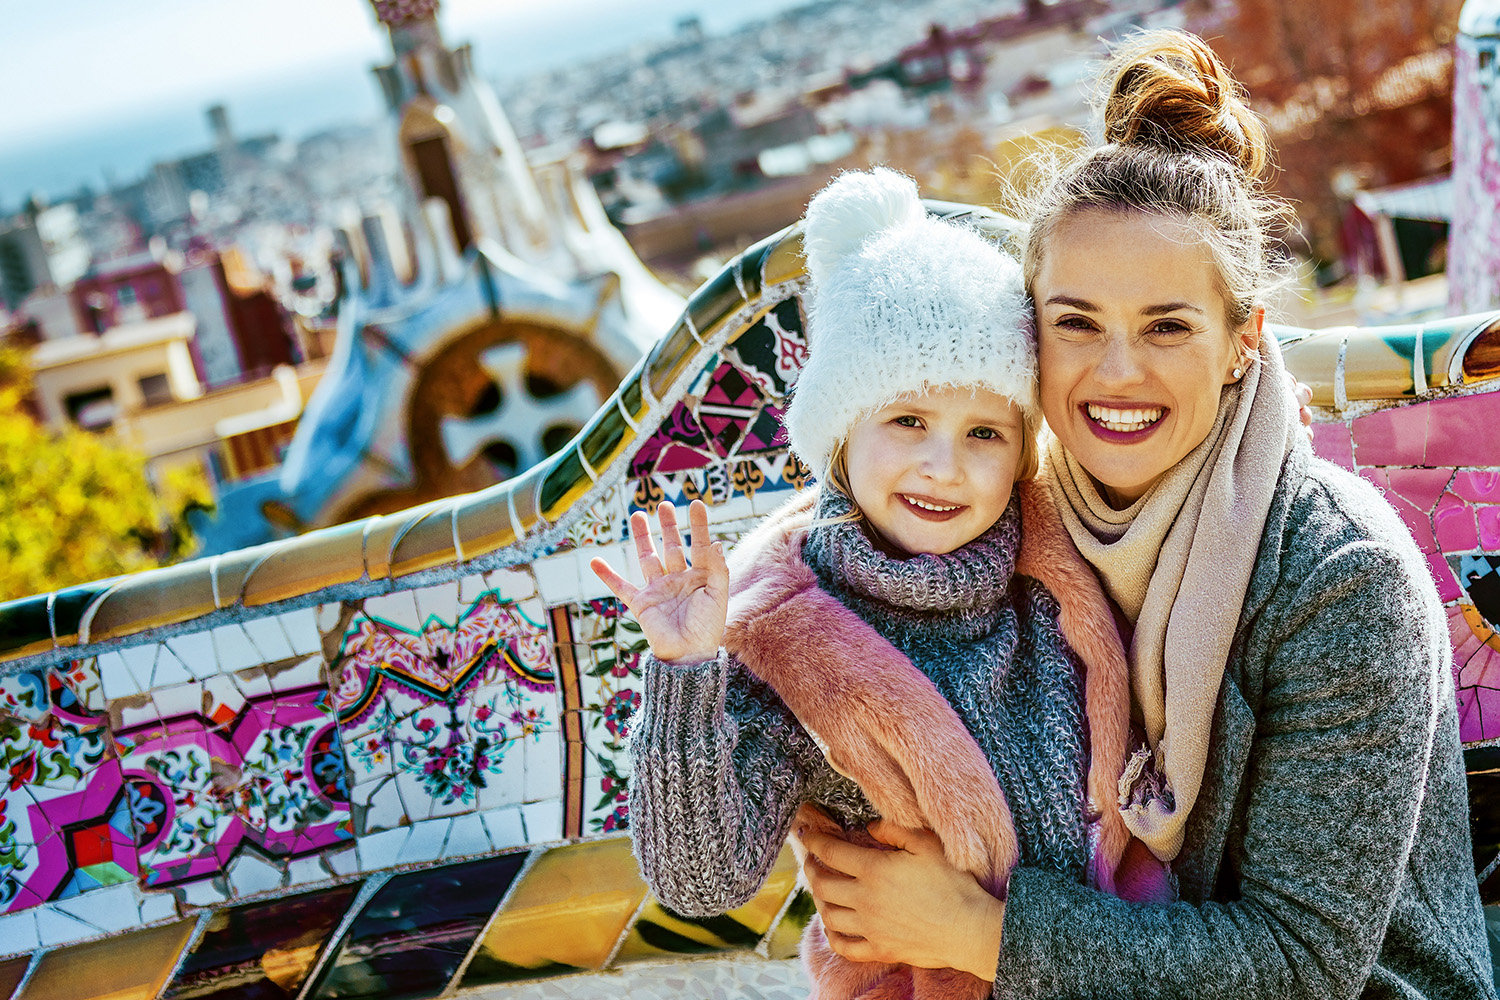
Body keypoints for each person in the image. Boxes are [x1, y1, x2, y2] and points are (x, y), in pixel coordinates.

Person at [794, 30, 1496, 1000]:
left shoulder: (1338, 574)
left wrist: (979, 932)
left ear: (1243, 340)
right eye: (1076, 321)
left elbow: (1305, 963)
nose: (1117, 371)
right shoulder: (1007, 534)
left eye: (1167, 326)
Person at [590, 168, 1152, 998]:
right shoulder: (790, 637)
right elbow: (700, 883)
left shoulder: (1056, 567)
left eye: (984, 432)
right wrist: (684, 673)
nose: (944, 467)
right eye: (908, 421)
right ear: (843, 430)